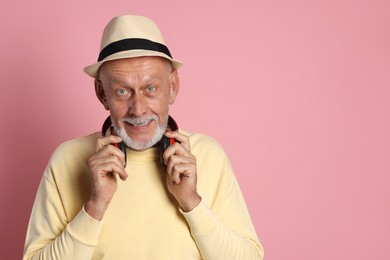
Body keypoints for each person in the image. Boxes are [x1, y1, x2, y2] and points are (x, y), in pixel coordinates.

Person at [23, 15, 264, 260]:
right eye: (121, 91)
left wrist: (191, 202)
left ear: (172, 87)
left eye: (150, 89)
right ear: (101, 94)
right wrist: (95, 207)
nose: (138, 109)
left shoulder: (209, 154)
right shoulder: (66, 159)